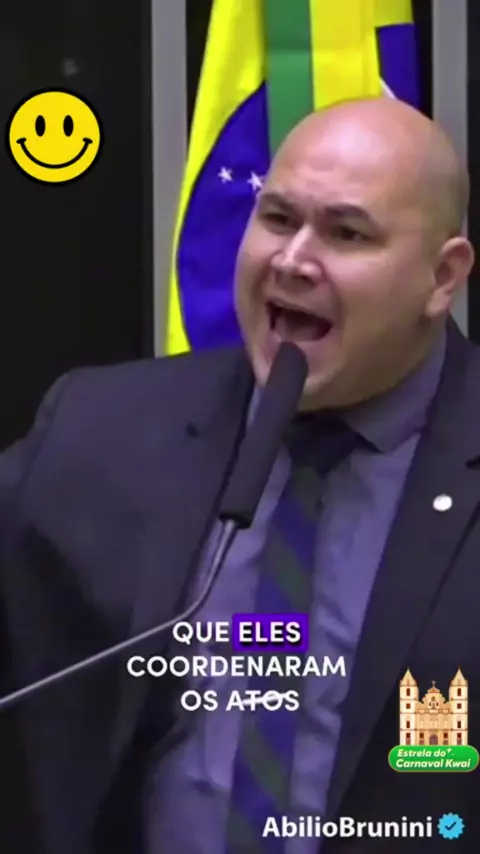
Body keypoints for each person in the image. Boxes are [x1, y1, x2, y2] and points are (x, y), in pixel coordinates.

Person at [0, 96, 478, 854]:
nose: (292, 260)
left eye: (347, 233)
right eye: (278, 219)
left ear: (441, 277)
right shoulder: (99, 431)